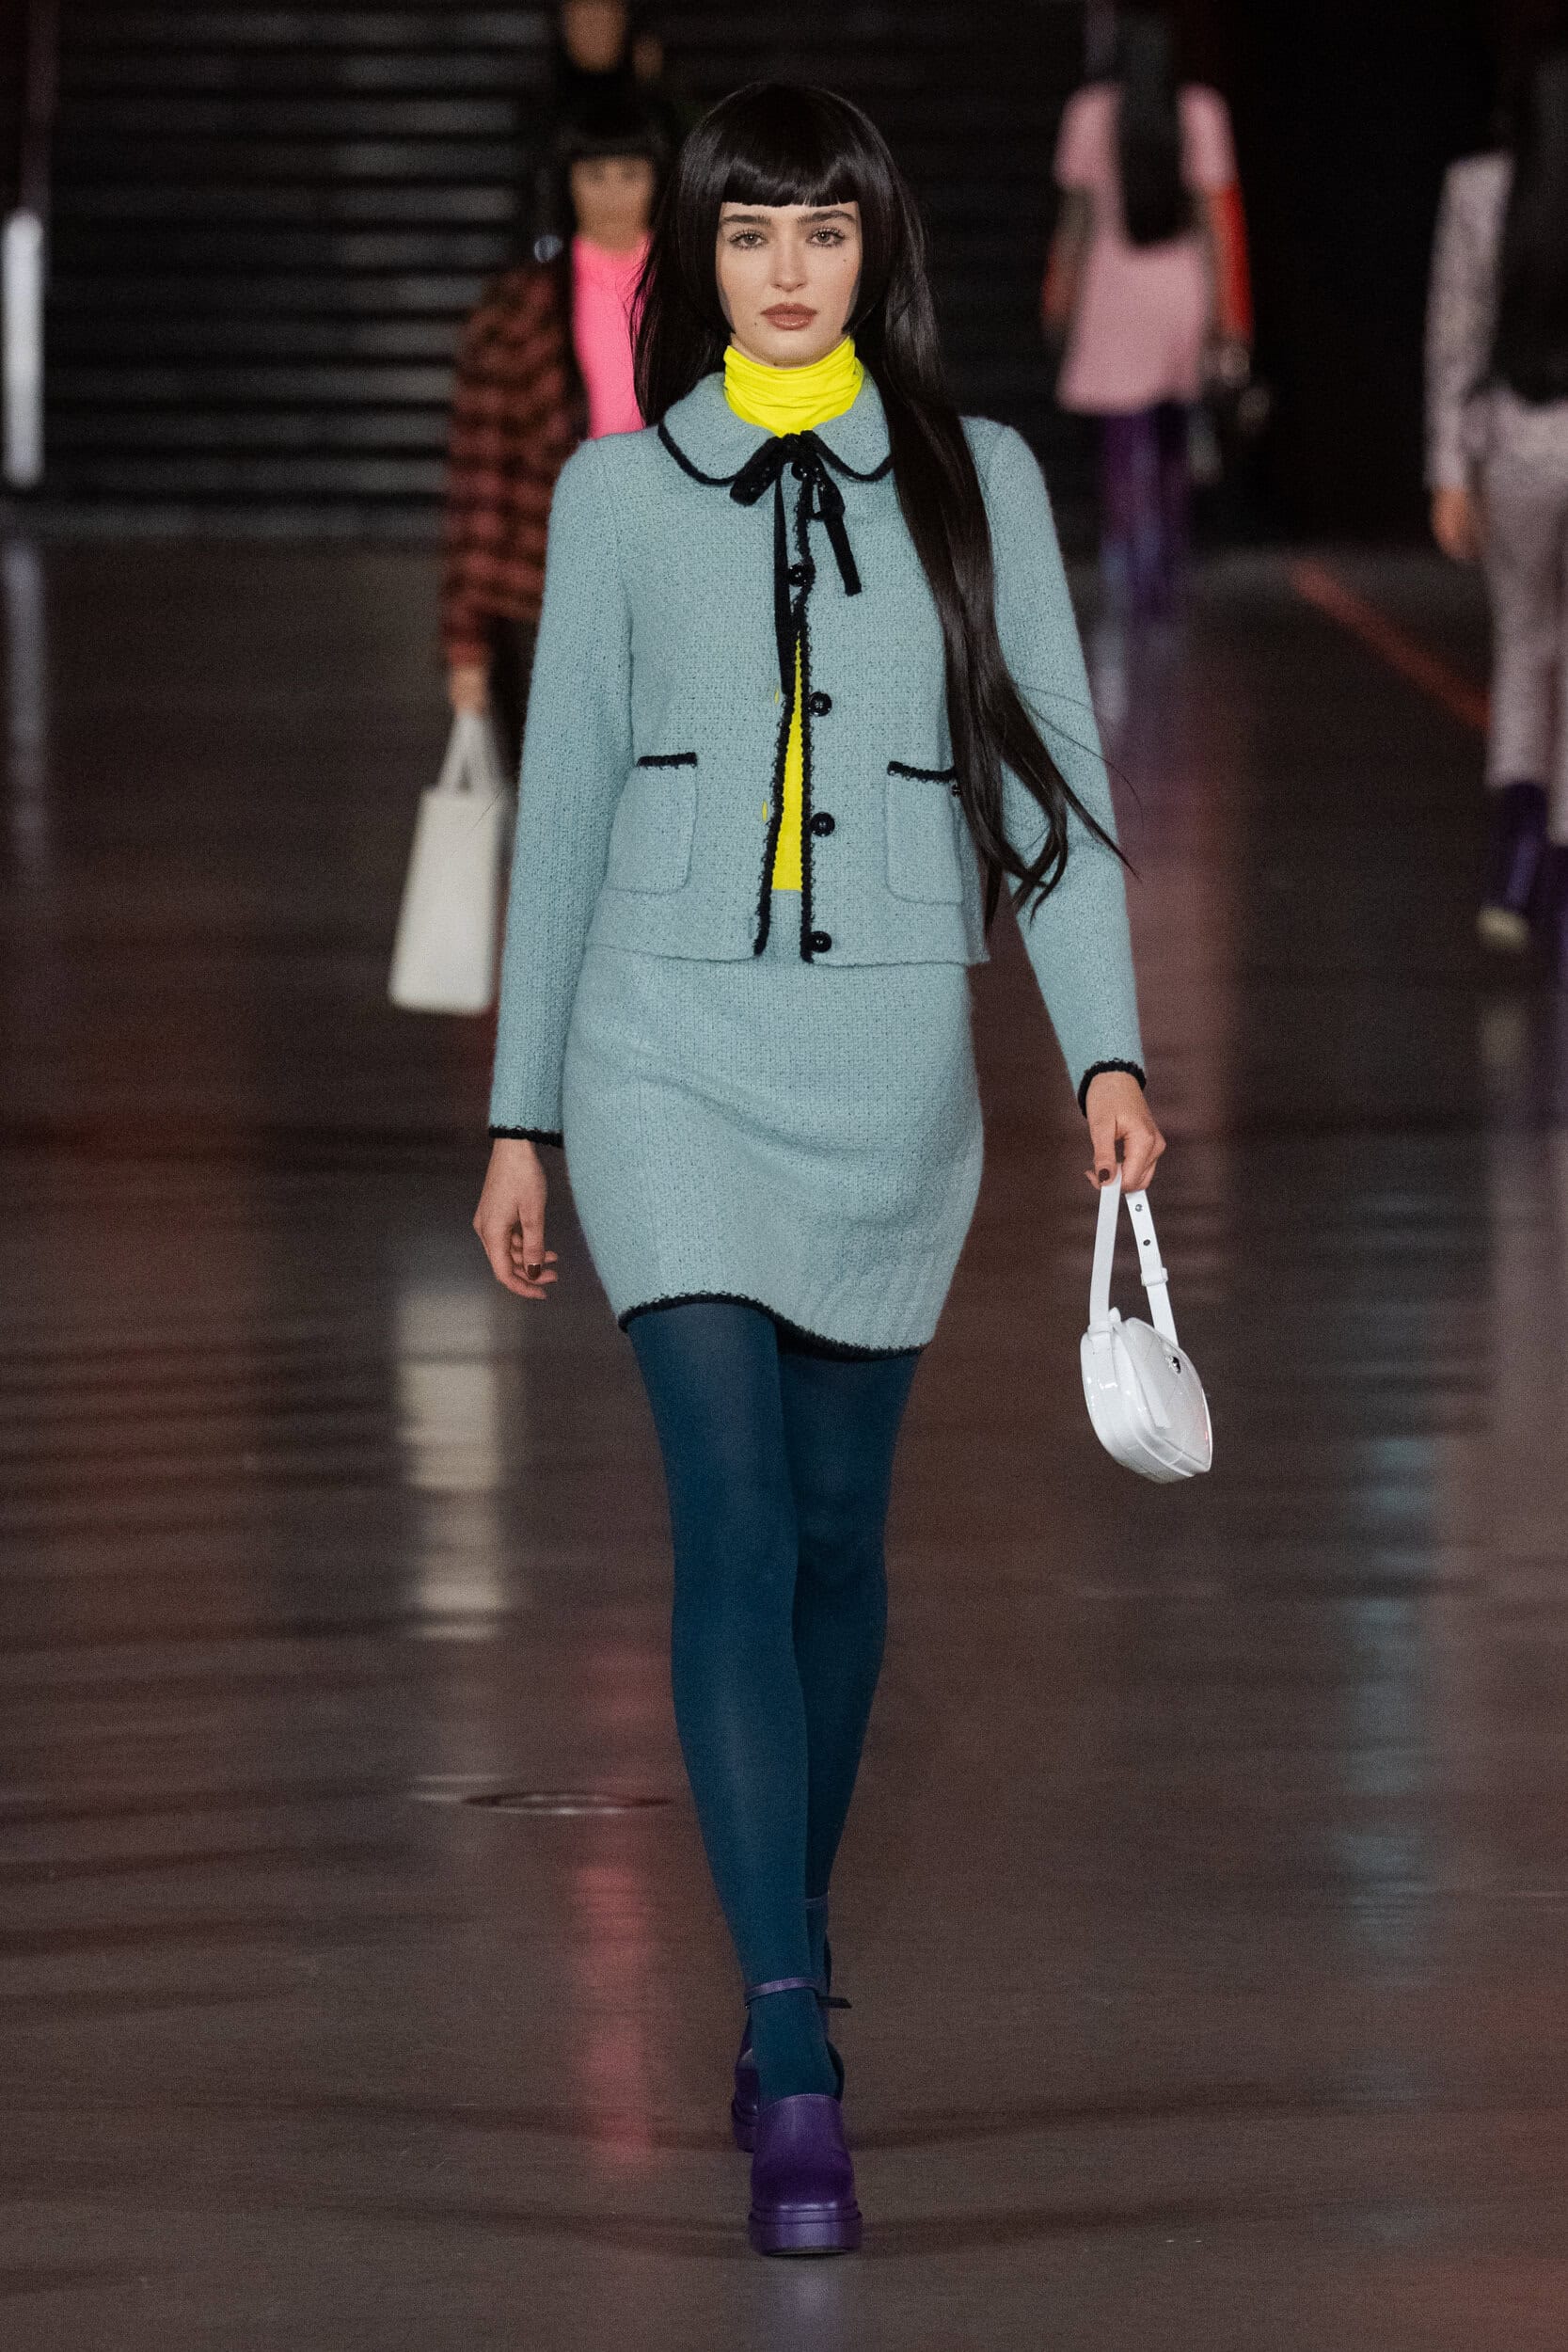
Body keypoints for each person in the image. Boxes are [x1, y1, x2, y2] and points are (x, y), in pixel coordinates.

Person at [471, 81, 1163, 2256]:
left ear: (876, 253)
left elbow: (1049, 788)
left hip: (887, 1070)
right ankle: (788, 2043)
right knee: (736, 1523)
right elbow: (564, 808)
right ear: (699, 256)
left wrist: (1105, 1049)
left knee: (842, 1550)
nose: (788, 270)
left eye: (825, 231)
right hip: (660, 1054)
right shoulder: (615, 493)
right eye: (751, 231)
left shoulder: (978, 480)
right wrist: (522, 1110)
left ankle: (787, 1915)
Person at [441, 104, 666, 772]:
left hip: (671, 586)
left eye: (630, 174)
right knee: (558, 791)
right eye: (594, 175)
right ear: (566, 185)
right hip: (545, 585)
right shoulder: (518, 311)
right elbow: (481, 476)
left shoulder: (703, 304)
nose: (613, 194)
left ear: (658, 182)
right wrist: (467, 643)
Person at [1427, 39, 1568, 974]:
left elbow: (1455, 335)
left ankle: (1512, 869)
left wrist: (1446, 469)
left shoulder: (1477, 189)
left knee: (1523, 645)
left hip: (1514, 444)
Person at [1043, 5, 1250, 616]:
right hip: (1180, 293)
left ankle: (1132, 562)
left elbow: (1074, 225)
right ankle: (1166, 567)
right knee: (1172, 441)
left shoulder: (1088, 113)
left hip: (1112, 294)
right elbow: (1218, 227)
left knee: (1120, 443)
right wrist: (1230, 316)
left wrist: (1056, 298)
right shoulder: (1202, 112)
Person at [524, 2, 685, 266]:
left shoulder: (662, 110)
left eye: (606, 12)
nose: (595, 25)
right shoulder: (542, 114)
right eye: (582, 14)